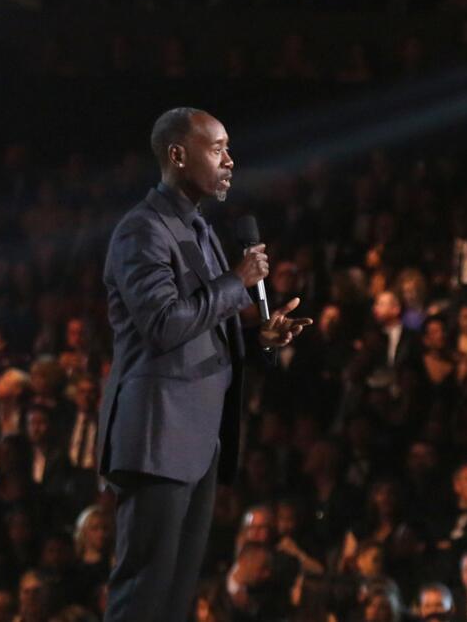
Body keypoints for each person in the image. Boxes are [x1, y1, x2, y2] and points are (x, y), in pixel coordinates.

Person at [97, 107, 310, 622]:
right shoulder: (142, 231)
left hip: (198, 442)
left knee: (174, 598)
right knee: (144, 592)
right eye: (217, 149)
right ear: (177, 154)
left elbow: (200, 327)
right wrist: (235, 280)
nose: (229, 161)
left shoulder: (200, 230)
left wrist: (257, 335)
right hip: (158, 438)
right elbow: (164, 324)